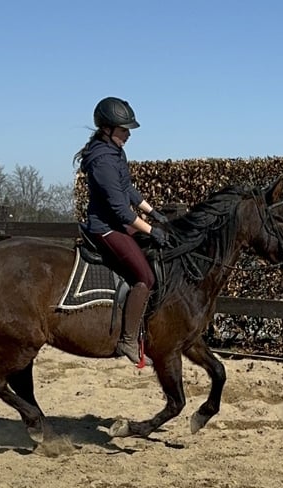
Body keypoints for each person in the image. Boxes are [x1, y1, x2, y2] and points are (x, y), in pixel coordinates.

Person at [73, 96, 169, 365]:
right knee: (145, 278)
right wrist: (151, 230)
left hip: (118, 223)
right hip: (105, 228)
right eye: (124, 129)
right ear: (106, 128)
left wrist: (153, 212)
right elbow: (121, 210)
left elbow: (127, 190)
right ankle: (127, 341)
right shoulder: (102, 160)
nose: (128, 134)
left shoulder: (115, 151)